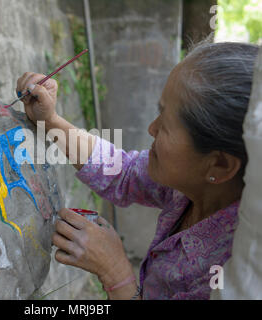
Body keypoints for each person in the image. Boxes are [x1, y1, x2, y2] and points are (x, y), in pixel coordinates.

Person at [16, 42, 259, 300]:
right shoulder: (188, 187)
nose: (151, 129)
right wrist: (49, 120)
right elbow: (124, 172)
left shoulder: (232, 272)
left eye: (165, 125)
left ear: (219, 165)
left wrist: (116, 272)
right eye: (159, 113)